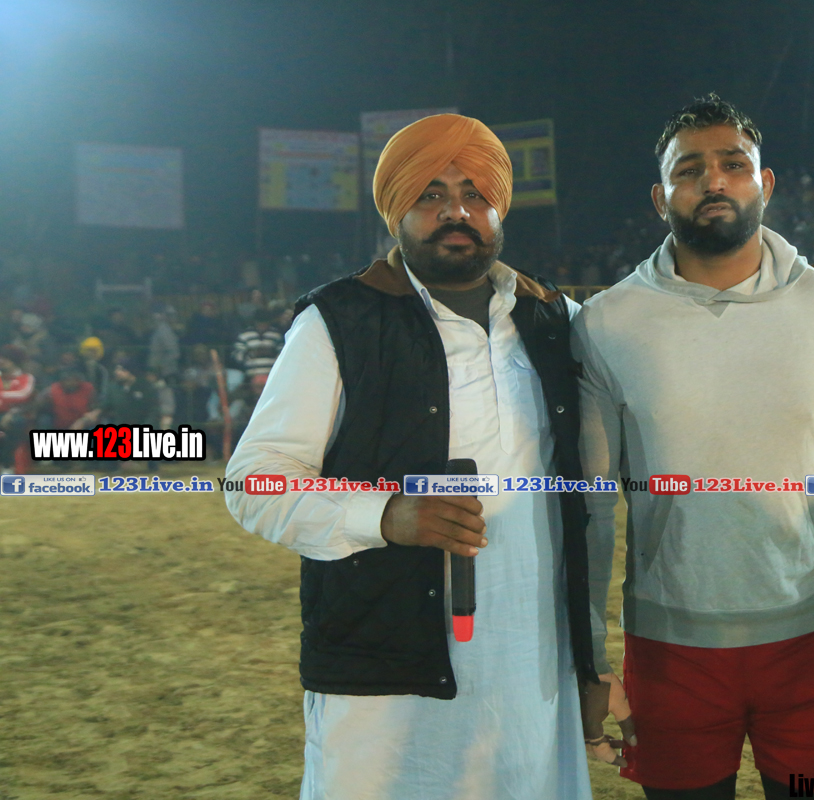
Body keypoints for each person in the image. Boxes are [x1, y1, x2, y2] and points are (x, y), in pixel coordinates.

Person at [573, 95, 814, 800]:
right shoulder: (607, 323)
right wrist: (589, 657)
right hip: (669, 649)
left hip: (812, 640)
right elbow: (590, 507)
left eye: (733, 165)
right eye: (689, 170)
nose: (713, 181)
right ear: (660, 197)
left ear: (765, 184)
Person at [222, 113, 599, 800]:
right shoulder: (339, 320)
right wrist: (385, 515)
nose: (456, 211)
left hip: (533, 668)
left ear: (499, 208)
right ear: (396, 210)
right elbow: (254, 482)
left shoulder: (553, 319)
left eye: (474, 193)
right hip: (385, 673)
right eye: (431, 194)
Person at [0, 344, 36, 473]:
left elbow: (23, 394)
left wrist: (2, 397)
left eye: (5, 358)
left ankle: (8, 465)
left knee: (14, 424)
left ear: (14, 360)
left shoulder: (26, 378)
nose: (1, 361)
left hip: (20, 415)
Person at [230, 309, 284, 380]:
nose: (262, 325)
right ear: (255, 322)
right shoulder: (245, 335)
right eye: (260, 323)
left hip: (272, 374)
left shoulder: (276, 335)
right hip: (251, 375)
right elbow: (236, 355)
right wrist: (251, 353)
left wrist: (271, 353)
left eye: (265, 323)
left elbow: (283, 354)